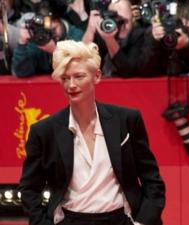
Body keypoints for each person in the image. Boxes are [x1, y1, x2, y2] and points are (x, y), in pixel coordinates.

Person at [18, 40, 166, 225]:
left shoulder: (127, 120)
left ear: (97, 76)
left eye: (79, 76)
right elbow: (29, 189)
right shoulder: (44, 131)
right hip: (70, 220)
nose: (71, 85)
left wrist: (142, 222)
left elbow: (152, 179)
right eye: (65, 78)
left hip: (120, 219)